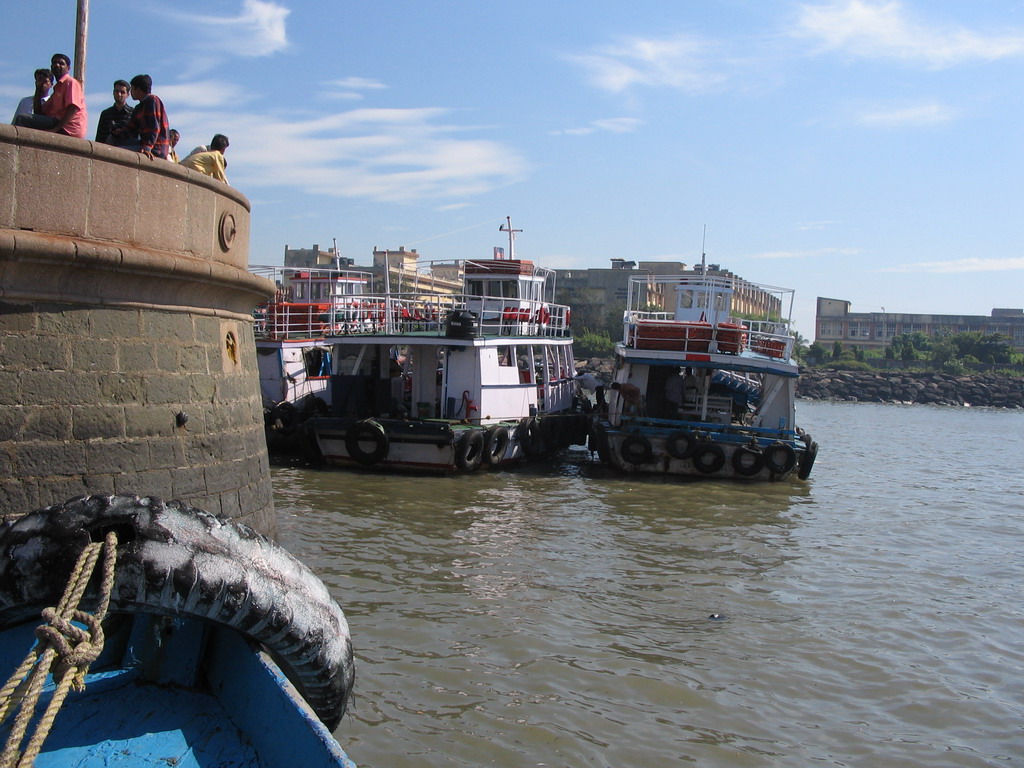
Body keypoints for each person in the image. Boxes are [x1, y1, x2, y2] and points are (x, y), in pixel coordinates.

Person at [13, 54, 87, 138]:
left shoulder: (70, 82)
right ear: (51, 67)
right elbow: (39, 113)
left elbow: (73, 108)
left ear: (68, 68)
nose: (57, 65)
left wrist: (55, 129)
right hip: (59, 123)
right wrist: (38, 89)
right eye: (54, 63)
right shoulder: (57, 89)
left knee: (22, 119)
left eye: (61, 63)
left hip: (70, 127)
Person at [117, 74, 170, 159]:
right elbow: (131, 129)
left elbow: (154, 127)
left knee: (117, 152)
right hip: (145, 144)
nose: (131, 93)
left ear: (138, 89)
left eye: (132, 89)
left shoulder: (152, 100)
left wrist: (147, 147)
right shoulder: (139, 107)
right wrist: (118, 132)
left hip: (156, 148)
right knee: (112, 141)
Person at [95, 80, 134, 144]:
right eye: (117, 91)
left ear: (128, 94)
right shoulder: (105, 114)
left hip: (127, 148)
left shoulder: (133, 113)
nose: (119, 94)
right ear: (113, 92)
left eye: (122, 92)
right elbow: (99, 138)